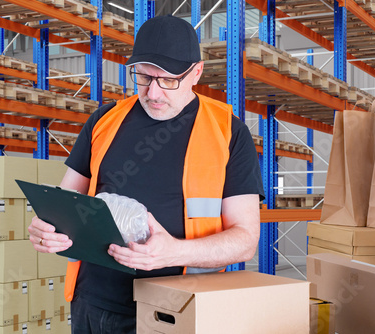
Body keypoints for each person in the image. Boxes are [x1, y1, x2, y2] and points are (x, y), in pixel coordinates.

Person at [28, 14, 264, 334]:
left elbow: (245, 240)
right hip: (92, 304)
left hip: (173, 310)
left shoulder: (228, 133)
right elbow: (66, 200)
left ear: (196, 73)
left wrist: (174, 251)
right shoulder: (104, 122)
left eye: (167, 79)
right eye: (143, 77)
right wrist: (49, 226)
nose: (153, 93)